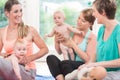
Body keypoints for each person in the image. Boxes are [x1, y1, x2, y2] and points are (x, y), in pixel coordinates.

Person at [0, 0, 48, 80]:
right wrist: (5, 55)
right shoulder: (2, 32)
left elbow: (45, 49)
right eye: (16, 12)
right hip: (10, 67)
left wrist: (29, 58)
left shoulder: (30, 30)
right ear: (7, 13)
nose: (19, 14)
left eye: (20, 11)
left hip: (27, 70)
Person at [47, 8, 97, 80]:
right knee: (51, 58)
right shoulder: (72, 30)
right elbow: (59, 52)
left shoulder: (92, 37)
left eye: (83, 21)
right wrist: (56, 40)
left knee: (65, 63)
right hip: (68, 64)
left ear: (90, 23)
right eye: (79, 18)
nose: (79, 22)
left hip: (81, 65)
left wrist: (73, 44)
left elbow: (88, 59)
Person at [78, 0, 120, 80]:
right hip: (99, 71)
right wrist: (88, 64)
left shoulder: (118, 30)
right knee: (79, 73)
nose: (93, 14)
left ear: (103, 12)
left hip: (115, 73)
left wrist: (97, 64)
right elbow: (95, 53)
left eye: (94, 11)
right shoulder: (101, 29)